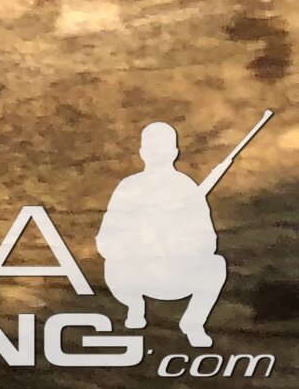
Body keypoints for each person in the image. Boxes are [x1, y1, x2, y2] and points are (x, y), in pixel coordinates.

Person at [97, 120, 234, 348]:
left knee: (216, 265)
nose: (157, 153)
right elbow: (106, 239)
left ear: (174, 152)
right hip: (136, 272)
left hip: (177, 272)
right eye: (152, 147)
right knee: (112, 265)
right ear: (142, 152)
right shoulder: (128, 187)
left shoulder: (187, 188)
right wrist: (134, 242)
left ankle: (193, 323)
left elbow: (208, 241)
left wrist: (179, 241)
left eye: (163, 147)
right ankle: (134, 306)